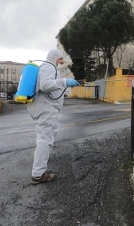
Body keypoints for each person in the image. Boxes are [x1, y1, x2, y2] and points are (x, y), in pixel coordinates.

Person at [27, 49, 79, 185]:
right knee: (44, 139)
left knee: (53, 131)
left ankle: (43, 157)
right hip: (45, 109)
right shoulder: (49, 67)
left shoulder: (46, 68)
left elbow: (50, 86)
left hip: (46, 108)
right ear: (55, 58)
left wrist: (64, 84)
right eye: (61, 59)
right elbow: (45, 86)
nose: (62, 62)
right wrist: (64, 82)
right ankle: (38, 174)